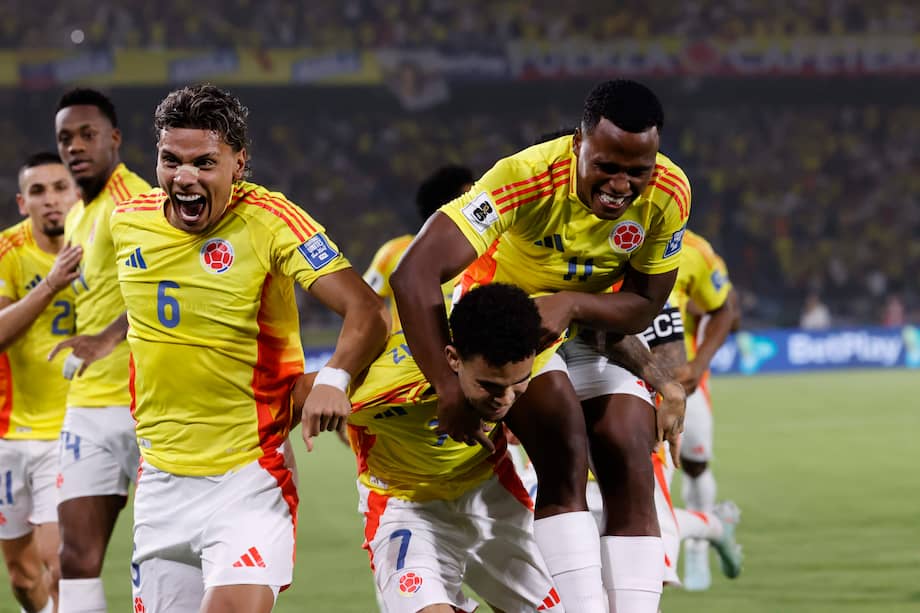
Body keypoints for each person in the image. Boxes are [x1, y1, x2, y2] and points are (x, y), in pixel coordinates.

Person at [391, 79, 690, 613]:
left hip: (590, 326)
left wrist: (570, 304)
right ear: (578, 144)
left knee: (628, 449)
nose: (621, 185)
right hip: (509, 327)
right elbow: (413, 274)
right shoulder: (523, 177)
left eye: (637, 171)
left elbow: (644, 305)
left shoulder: (670, 192)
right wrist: (447, 386)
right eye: (607, 166)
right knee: (564, 443)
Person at [108, 84, 388, 613]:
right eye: (171, 160)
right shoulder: (127, 222)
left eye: (204, 163)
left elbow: (369, 311)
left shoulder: (270, 220)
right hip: (160, 480)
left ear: (239, 163)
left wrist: (334, 378)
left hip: (249, 476)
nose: (184, 177)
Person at [296, 283, 562, 612]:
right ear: (453, 359)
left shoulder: (536, 340)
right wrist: (327, 392)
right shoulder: (384, 380)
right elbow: (299, 394)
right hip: (404, 505)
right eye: (489, 386)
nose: (505, 400)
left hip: (493, 495)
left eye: (517, 385)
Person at [48, 88, 151, 613]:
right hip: (88, 407)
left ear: (114, 139)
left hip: (144, 406)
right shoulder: (76, 216)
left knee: (161, 559)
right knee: (75, 559)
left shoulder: (133, 202)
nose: (75, 146)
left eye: (87, 135)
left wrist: (107, 338)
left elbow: (165, 286)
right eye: (65, 138)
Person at [0, 153, 81, 613]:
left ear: (76, 194)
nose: (51, 199)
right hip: (9, 433)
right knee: (24, 576)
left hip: (71, 432)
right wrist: (49, 285)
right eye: (38, 191)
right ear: (22, 203)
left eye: (60, 187)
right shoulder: (8, 252)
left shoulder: (99, 246)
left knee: (59, 561)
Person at [665, 230, 741, 590]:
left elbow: (729, 311)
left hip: (684, 381)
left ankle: (697, 546)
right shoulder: (609, 238)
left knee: (695, 464)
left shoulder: (695, 251)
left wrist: (697, 366)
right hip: (628, 379)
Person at [363, 164, 473, 328]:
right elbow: (365, 305)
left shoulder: (488, 250)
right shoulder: (393, 252)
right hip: (406, 344)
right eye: (468, 198)